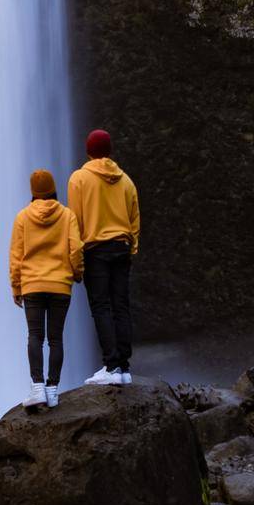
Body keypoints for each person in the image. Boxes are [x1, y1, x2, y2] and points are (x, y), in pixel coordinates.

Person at [67, 129, 141, 387]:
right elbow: (134, 219)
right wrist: (131, 247)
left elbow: (74, 221)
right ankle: (124, 366)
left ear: (88, 151)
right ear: (109, 151)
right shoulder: (126, 181)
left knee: (101, 307)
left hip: (95, 249)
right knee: (121, 306)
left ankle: (111, 366)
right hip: (121, 246)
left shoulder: (79, 179)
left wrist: (75, 258)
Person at [9, 168, 84, 409]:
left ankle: (37, 387)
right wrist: (77, 273)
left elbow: (16, 256)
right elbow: (75, 249)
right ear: (53, 189)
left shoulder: (22, 217)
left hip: (32, 284)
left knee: (35, 336)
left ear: (33, 192)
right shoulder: (67, 216)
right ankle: (53, 390)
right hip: (60, 285)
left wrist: (16, 287)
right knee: (56, 338)